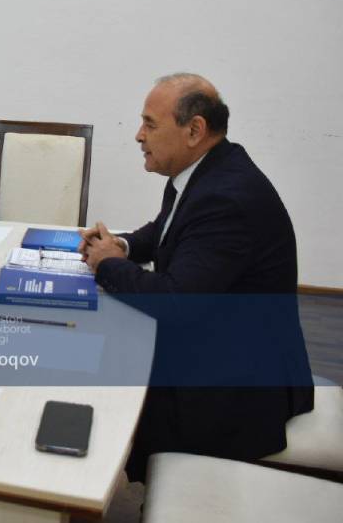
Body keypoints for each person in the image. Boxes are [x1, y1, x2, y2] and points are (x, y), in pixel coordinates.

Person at [79, 73, 313, 482]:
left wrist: (107, 264)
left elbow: (175, 302)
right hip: (223, 344)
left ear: (194, 130)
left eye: (150, 124)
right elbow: (165, 230)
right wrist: (121, 245)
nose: (138, 135)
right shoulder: (208, 169)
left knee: (105, 384)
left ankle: (88, 486)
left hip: (239, 388)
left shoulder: (227, 199)